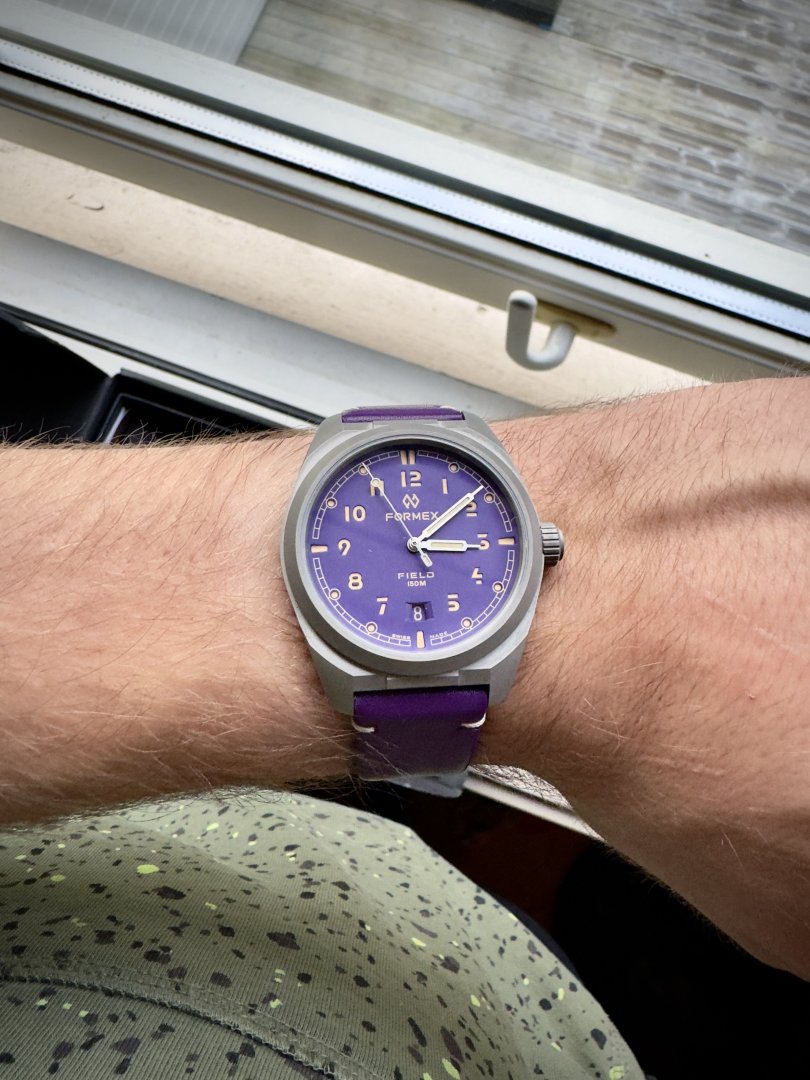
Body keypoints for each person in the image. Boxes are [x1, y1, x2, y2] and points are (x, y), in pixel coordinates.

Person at [0, 377, 807, 1076]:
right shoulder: (339, 548)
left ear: (540, 549)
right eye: (414, 538)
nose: (420, 545)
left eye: (437, 535)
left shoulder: (494, 562)